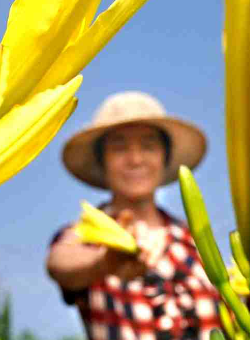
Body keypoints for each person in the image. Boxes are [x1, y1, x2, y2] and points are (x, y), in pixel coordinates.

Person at [46, 91, 222, 340]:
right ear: (102, 161)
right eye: (119, 148)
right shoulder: (88, 234)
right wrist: (105, 263)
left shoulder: (194, 240)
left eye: (148, 146)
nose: (135, 159)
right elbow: (59, 263)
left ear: (165, 157)